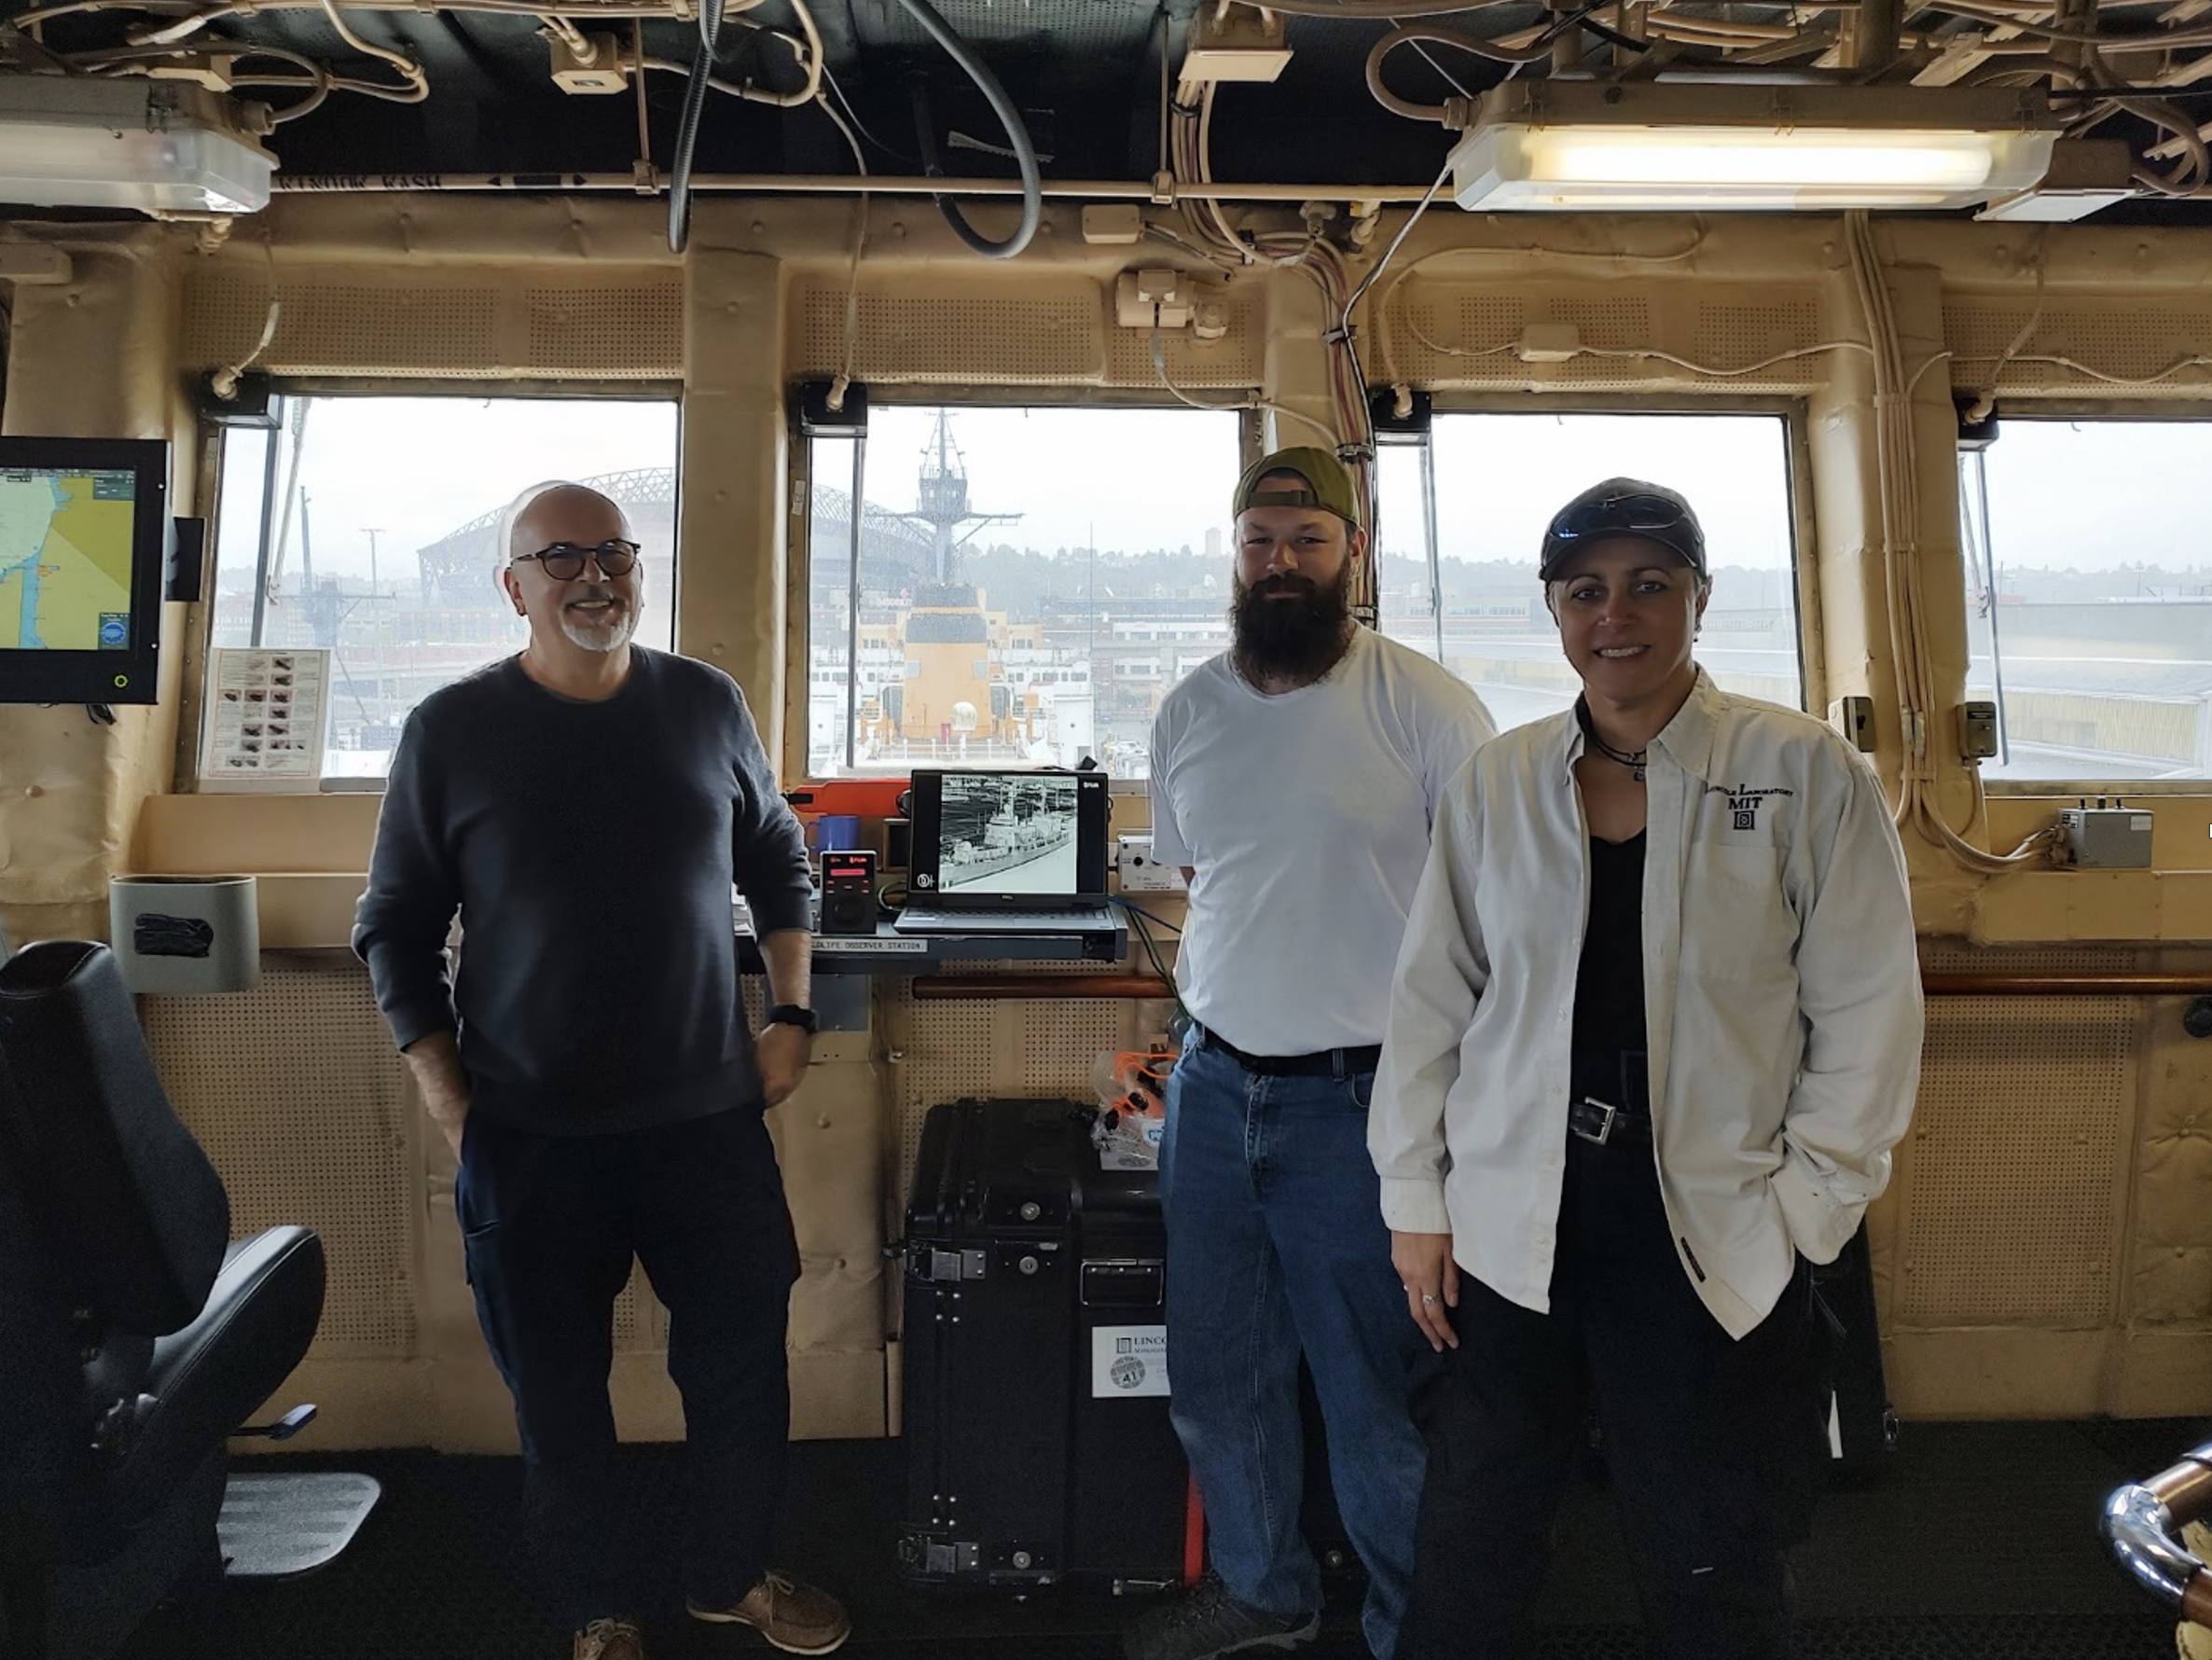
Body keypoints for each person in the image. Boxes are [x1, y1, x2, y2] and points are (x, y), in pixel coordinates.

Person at [1371, 477, 1924, 1660]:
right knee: (1472, 1535)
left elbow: (1867, 1010)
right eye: (1584, 591)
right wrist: (1415, 1202)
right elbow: (1431, 1006)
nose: (1613, 614)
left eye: (1646, 585)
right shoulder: (1496, 781)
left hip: (1709, 1216)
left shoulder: (1801, 770)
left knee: (1709, 1544)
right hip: (1514, 1207)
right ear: (1554, 613)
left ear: (1697, 598)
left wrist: (1804, 1213)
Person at [353, 481, 850, 1660]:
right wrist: (451, 1104)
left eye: (614, 553)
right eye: (560, 555)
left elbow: (781, 863)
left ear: (638, 570)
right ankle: (598, 1608)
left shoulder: (705, 703)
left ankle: (729, 1577)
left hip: (705, 1121)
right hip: (527, 1134)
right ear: (512, 585)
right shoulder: (451, 730)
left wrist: (790, 1011)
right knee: (558, 1399)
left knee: (739, 1377)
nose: (594, 575)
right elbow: (393, 926)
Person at [1129, 447, 1497, 1660]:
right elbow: (1204, 884)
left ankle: (1413, 1630)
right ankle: (1264, 1593)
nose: (1281, 564)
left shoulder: (1428, 708)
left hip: (1366, 1104)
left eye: (1307, 543)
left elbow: (1492, 911)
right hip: (1213, 1087)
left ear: (1355, 556)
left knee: (1374, 1399)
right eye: (1260, 544)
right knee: (1219, 1378)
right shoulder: (1186, 713)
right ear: (1233, 557)